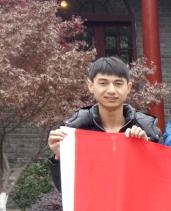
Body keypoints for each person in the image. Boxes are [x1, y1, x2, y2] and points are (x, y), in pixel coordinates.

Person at [47, 56, 160, 189]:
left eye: (118, 83)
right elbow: (67, 191)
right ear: (91, 86)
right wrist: (59, 156)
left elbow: (160, 184)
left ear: (128, 87)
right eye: (103, 83)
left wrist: (147, 149)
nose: (111, 90)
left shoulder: (147, 130)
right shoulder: (76, 130)